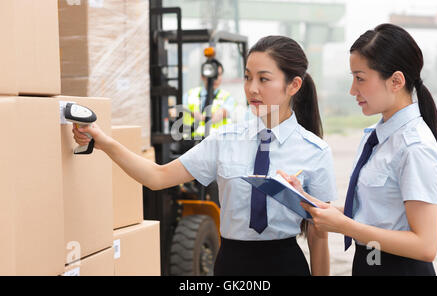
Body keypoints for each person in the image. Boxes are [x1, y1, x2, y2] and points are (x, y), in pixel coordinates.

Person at [72, 35, 337, 276]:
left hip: (286, 266)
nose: (251, 89)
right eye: (247, 77)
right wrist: (105, 142)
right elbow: (157, 176)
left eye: (263, 79)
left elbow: (318, 233)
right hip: (232, 265)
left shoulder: (315, 152)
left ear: (294, 85)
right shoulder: (224, 141)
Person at [281, 23, 437, 276]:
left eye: (360, 78)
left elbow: (425, 246)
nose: (352, 90)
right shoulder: (376, 136)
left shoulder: (414, 147)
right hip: (370, 263)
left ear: (396, 81)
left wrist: (345, 226)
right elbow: (374, 216)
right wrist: (310, 202)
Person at [183, 59, 236, 138]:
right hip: (190, 143)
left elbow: (217, 117)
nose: (215, 78)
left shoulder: (227, 97)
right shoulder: (189, 94)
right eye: (212, 75)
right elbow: (177, 111)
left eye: (218, 75)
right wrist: (190, 113)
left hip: (217, 143)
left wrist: (196, 115)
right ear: (202, 76)